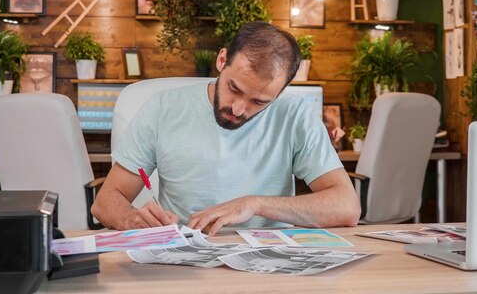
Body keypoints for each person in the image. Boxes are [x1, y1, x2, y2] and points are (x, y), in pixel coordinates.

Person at [92, 22, 360, 235]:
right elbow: (105, 201)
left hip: (268, 263)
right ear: (222, 60)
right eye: (234, 88)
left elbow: (347, 207)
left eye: (259, 101)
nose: (239, 109)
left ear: (281, 92)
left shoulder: (295, 114)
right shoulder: (162, 108)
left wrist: (255, 204)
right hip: (185, 257)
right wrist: (131, 219)